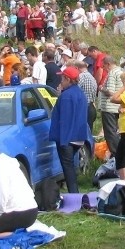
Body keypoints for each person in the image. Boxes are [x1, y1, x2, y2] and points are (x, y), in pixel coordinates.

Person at [0, 145, 39, 238]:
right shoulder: (5, 162)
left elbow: (2, 196)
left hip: (22, 212)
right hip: (28, 211)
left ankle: (15, 235)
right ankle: (14, 233)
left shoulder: (0, 169)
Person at [50, 66, 91, 194]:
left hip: (67, 138)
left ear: (68, 79)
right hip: (78, 137)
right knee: (70, 167)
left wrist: (64, 141)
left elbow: (65, 120)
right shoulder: (80, 93)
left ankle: (74, 195)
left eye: (62, 78)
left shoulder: (67, 96)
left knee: (68, 168)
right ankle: (74, 193)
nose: (60, 81)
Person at [98, 56, 123, 156]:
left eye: (104, 66)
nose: (103, 68)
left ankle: (116, 155)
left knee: (110, 133)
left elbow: (110, 92)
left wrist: (101, 88)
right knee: (115, 131)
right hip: (117, 107)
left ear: (108, 64)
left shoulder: (112, 73)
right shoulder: (120, 71)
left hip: (109, 107)